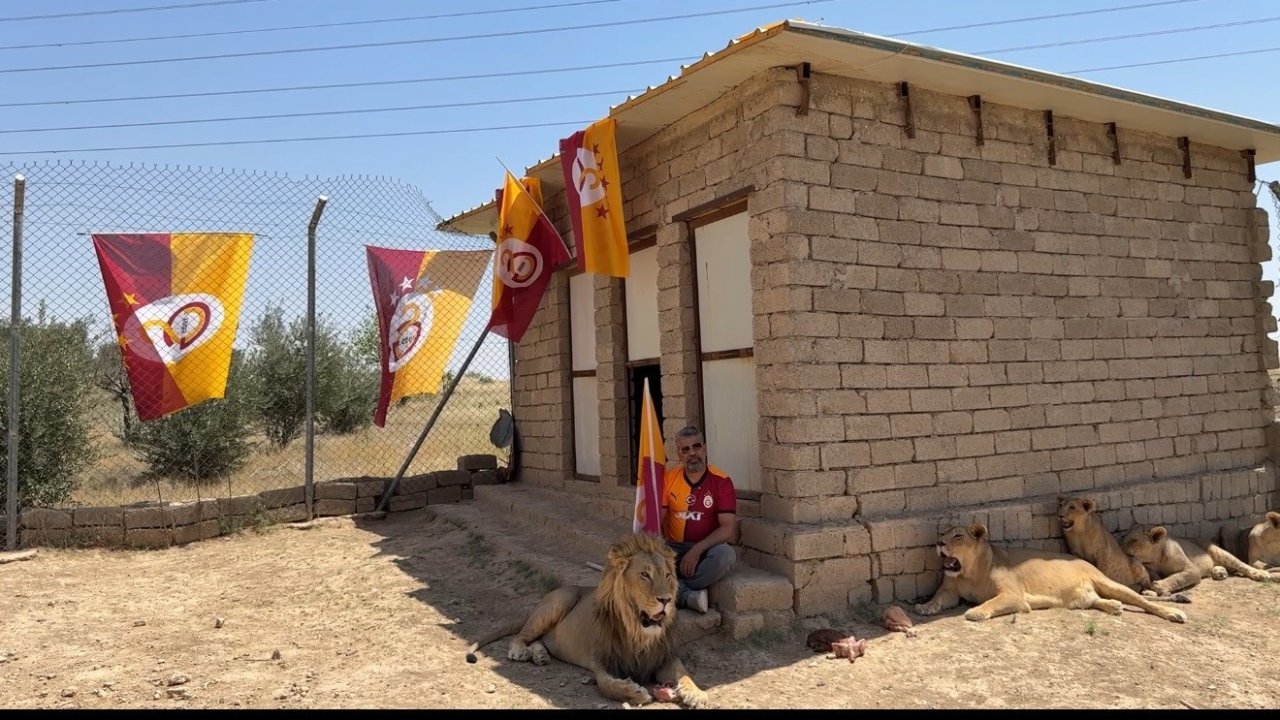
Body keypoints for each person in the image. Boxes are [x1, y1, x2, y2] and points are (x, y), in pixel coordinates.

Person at [659, 425, 737, 613]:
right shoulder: (669, 479)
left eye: (696, 446)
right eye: (685, 449)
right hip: (674, 549)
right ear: (679, 453)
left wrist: (696, 550)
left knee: (726, 556)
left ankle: (675, 591)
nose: (692, 453)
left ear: (705, 448)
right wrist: (658, 550)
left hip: (705, 551)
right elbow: (658, 521)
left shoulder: (722, 481)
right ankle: (686, 595)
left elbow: (727, 529)